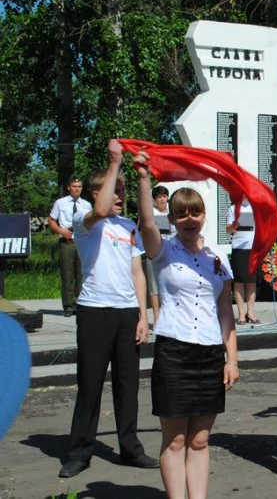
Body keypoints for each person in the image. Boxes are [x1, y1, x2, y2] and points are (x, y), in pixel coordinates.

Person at [133, 153, 239, 499]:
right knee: (176, 439)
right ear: (173, 218)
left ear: (204, 215)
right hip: (174, 352)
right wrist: (144, 179)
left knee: (200, 439)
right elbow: (147, 222)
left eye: (195, 212)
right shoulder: (162, 251)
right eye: (181, 214)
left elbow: (226, 311)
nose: (189, 219)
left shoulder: (217, 257)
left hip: (209, 353)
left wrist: (232, 358)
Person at [59, 140, 158, 478]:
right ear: (96, 192)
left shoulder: (129, 227)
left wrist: (144, 315)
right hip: (95, 312)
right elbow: (99, 210)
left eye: (122, 191)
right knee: (90, 383)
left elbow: (137, 273)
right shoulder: (85, 221)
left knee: (127, 385)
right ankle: (80, 451)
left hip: (127, 313)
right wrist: (114, 163)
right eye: (113, 190)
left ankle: (130, 448)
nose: (119, 196)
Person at [48, 175, 92, 317]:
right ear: (69, 187)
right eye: (74, 186)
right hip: (67, 241)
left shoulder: (86, 205)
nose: (77, 189)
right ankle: (68, 306)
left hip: (82, 241)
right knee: (67, 274)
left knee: (82, 274)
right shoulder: (60, 203)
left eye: (79, 187)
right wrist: (61, 231)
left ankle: (79, 304)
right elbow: (52, 220)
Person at [227, 197, 259, 325]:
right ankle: (241, 314)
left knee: (252, 281)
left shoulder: (256, 208)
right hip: (239, 247)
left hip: (253, 247)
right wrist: (234, 226)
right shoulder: (233, 208)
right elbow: (227, 229)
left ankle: (250, 312)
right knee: (239, 281)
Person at [144, 184, 170, 324]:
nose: (162, 200)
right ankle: (156, 316)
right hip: (154, 250)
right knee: (154, 285)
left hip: (169, 249)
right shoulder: (151, 213)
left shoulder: (172, 213)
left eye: (164, 196)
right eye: (159, 197)